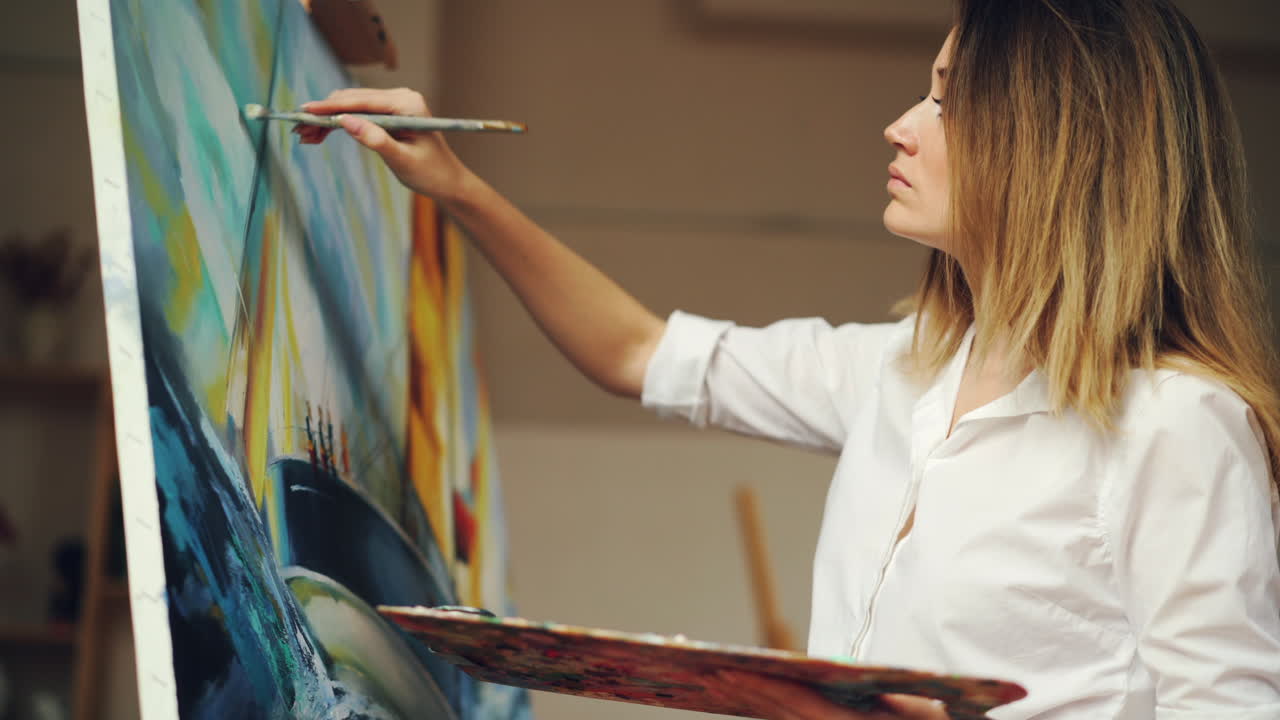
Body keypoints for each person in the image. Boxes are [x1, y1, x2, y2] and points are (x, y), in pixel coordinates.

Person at [298, 0, 1280, 717]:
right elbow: (640, 351)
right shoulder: (899, 369)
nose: (900, 125)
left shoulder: (1177, 426)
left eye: (946, 100)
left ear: (1055, 140)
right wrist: (459, 190)